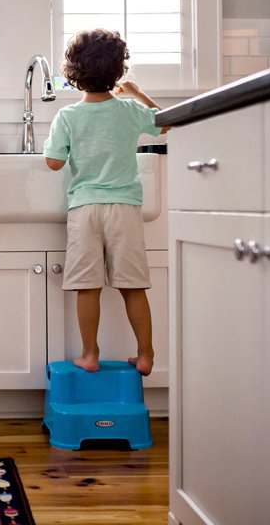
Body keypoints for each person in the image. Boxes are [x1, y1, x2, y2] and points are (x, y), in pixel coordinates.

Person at [42, 29, 168, 375]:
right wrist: (138, 93)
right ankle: (145, 355)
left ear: (73, 73)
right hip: (124, 207)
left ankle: (90, 354)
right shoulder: (129, 110)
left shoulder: (67, 117)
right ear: (118, 72)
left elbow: (53, 163)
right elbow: (168, 122)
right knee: (133, 286)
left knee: (87, 286)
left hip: (85, 210)